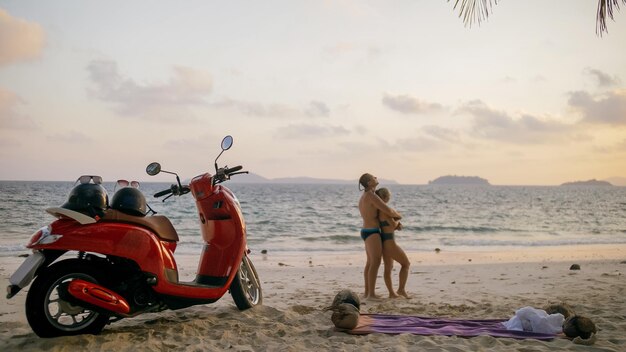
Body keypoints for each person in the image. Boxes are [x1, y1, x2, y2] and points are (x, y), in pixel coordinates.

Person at [358, 173, 402, 300]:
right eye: (373, 177)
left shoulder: (364, 196)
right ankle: (371, 294)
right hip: (372, 232)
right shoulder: (371, 196)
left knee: (370, 263)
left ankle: (367, 292)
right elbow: (388, 210)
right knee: (375, 262)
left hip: (365, 230)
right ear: (369, 183)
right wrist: (399, 216)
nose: (376, 177)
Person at [375, 187, 411, 299]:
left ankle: (392, 293)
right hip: (390, 243)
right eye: (389, 197)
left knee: (388, 268)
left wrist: (395, 224)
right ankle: (401, 290)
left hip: (384, 242)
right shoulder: (385, 210)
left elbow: (387, 226)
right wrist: (397, 223)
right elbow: (392, 224)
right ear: (385, 198)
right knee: (406, 264)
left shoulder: (378, 211)